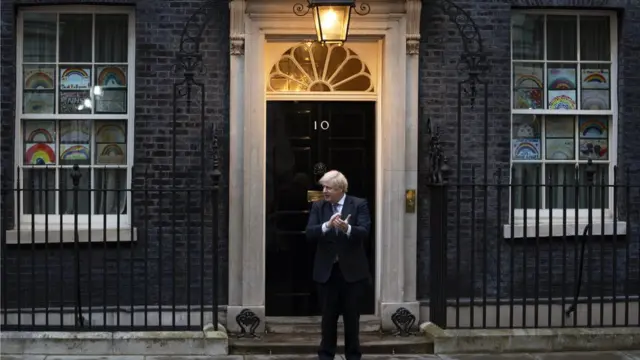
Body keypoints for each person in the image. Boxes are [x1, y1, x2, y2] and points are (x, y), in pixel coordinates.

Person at [305, 170, 371, 360]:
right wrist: (327, 226)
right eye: (323, 187)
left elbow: (365, 232)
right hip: (327, 273)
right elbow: (310, 233)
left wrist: (347, 228)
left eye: (328, 188)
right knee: (328, 320)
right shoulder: (319, 206)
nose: (324, 191)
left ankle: (353, 356)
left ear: (340, 189)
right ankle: (326, 356)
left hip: (352, 273)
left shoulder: (358, 204)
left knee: (352, 320)